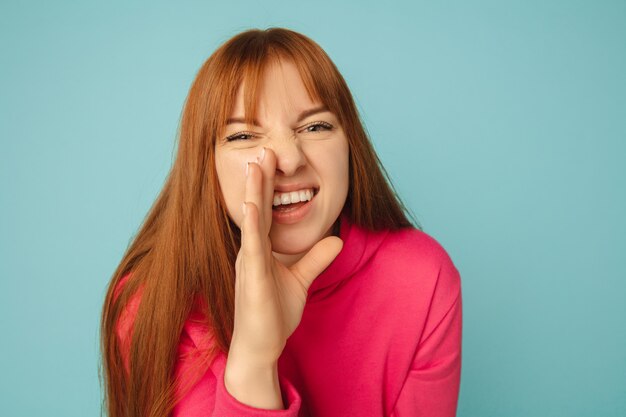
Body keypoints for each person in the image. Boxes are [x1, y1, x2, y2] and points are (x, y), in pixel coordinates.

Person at [100, 27, 462, 417]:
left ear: (350, 145)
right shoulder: (152, 300)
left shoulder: (420, 279)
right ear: (206, 166)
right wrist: (254, 357)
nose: (289, 160)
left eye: (315, 127)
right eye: (244, 136)